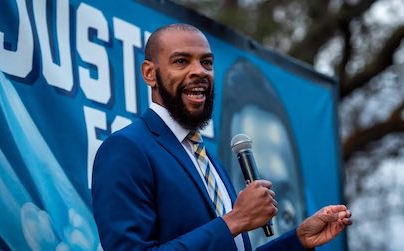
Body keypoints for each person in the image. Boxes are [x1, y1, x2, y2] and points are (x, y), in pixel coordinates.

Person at [91, 23, 352, 251]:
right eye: (181, 61)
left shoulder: (209, 161)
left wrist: (298, 240)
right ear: (150, 73)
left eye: (206, 62)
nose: (200, 71)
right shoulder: (128, 148)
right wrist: (235, 220)